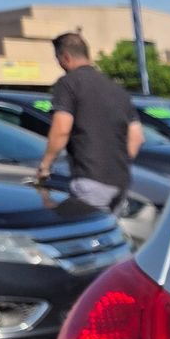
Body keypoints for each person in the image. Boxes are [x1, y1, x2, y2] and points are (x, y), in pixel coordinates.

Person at [35, 32, 144, 210]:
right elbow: (137, 137)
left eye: (58, 59)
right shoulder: (117, 90)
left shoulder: (68, 83)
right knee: (105, 230)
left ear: (66, 57)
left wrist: (45, 166)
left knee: (82, 232)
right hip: (121, 180)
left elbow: (61, 129)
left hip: (90, 179)